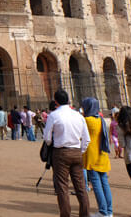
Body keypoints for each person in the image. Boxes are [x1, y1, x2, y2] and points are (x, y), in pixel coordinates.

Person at [43, 89, 91, 217]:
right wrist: (80, 150)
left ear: (56, 101)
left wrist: (53, 144)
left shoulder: (53, 115)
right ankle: (85, 214)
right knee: (81, 187)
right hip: (76, 152)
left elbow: (47, 138)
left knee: (62, 187)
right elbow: (86, 138)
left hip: (61, 153)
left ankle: (65, 215)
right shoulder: (78, 115)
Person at [81, 97, 113, 217]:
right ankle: (109, 211)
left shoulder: (87, 120)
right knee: (104, 183)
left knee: (96, 183)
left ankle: (103, 211)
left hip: (92, 156)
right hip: (102, 155)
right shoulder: (100, 119)